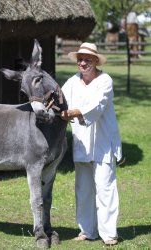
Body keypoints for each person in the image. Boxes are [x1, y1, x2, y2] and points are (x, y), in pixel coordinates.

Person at [60, 42, 122, 246]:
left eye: (87, 59)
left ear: (96, 61)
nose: (83, 62)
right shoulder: (72, 82)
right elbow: (61, 98)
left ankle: (109, 234)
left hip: (104, 141)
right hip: (82, 143)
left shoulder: (105, 81)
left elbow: (97, 106)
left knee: (105, 188)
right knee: (83, 189)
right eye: (80, 59)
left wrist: (72, 113)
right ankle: (87, 231)